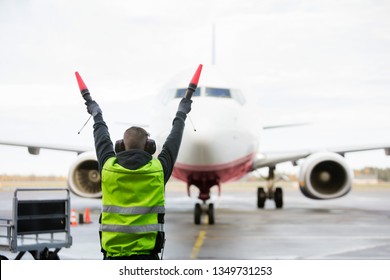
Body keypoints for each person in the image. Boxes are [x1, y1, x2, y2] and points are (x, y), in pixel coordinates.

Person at [85, 97, 192, 260]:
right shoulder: (158, 170)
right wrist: (181, 114)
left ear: (120, 146)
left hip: (113, 256)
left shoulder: (108, 167)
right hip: (147, 257)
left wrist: (96, 114)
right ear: (149, 147)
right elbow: (173, 141)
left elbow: (101, 138)